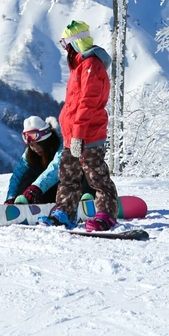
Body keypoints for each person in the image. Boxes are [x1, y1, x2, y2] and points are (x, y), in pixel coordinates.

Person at [37, 21, 120, 232]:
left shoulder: (92, 65)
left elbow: (88, 103)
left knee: (96, 176)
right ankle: (64, 212)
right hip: (73, 135)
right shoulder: (79, 66)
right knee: (67, 176)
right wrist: (70, 133)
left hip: (89, 134)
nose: (65, 48)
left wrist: (79, 134)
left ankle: (106, 215)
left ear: (75, 43)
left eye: (65, 43)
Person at [5, 116, 65, 205]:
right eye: (32, 145)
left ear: (47, 140)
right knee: (28, 174)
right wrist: (11, 196)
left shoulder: (63, 144)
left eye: (39, 144)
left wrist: (36, 187)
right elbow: (18, 175)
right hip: (42, 193)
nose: (36, 149)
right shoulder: (30, 153)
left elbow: (56, 167)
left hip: (60, 189)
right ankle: (21, 202)